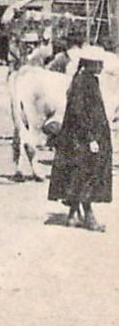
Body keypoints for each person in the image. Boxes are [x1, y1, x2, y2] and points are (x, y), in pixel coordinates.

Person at [48, 52, 112, 231]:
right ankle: (89, 217)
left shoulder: (86, 79)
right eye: (99, 63)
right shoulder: (84, 82)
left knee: (79, 176)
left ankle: (72, 217)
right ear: (90, 63)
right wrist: (91, 137)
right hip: (82, 139)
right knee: (88, 175)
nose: (102, 66)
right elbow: (79, 112)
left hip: (80, 138)